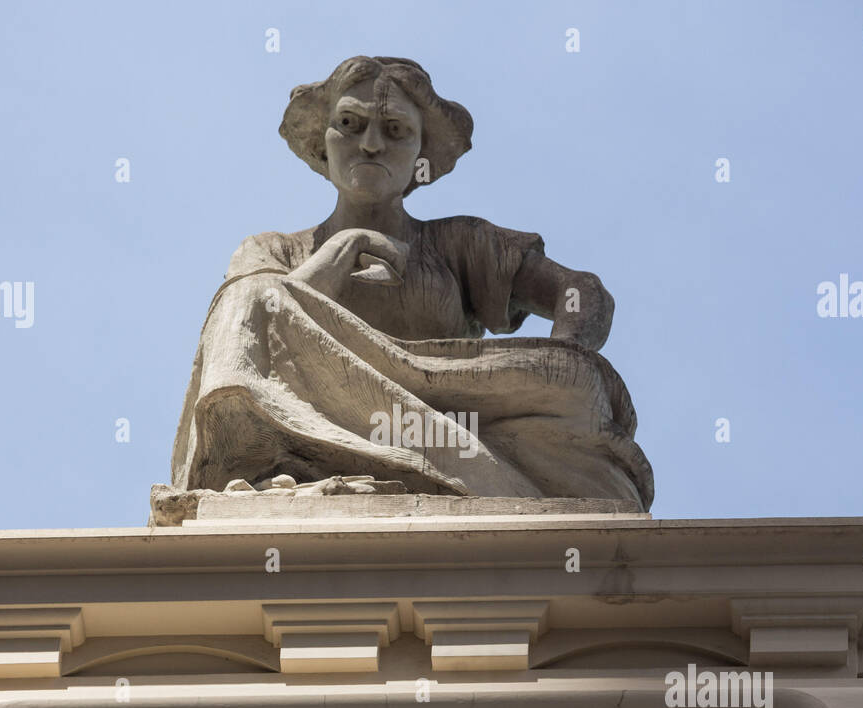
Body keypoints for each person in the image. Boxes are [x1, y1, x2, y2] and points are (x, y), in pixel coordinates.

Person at [170, 56, 654, 509]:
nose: (372, 144)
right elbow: (252, 334)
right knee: (247, 298)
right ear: (323, 143)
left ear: (421, 154)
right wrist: (341, 251)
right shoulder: (271, 249)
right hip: (319, 406)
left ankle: (452, 459)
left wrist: (564, 354)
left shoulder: (458, 242)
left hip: (444, 405)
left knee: (577, 381)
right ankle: (276, 463)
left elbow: (582, 292)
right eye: (350, 124)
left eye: (395, 130)